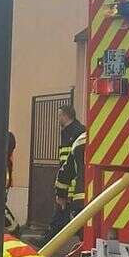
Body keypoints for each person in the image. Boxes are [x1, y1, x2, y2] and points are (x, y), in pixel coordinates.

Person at [49, 102, 86, 242]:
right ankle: (50, 238)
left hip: (74, 184)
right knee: (62, 213)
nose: (57, 118)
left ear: (65, 115)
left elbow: (70, 162)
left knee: (65, 214)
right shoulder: (69, 132)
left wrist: (63, 188)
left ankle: (50, 239)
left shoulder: (77, 133)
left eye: (59, 115)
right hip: (69, 182)